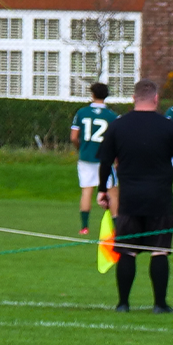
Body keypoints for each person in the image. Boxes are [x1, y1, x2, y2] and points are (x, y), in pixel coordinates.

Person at [96, 78, 173, 313]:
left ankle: (123, 304)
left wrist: (102, 190)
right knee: (159, 250)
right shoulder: (168, 126)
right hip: (160, 198)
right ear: (156, 99)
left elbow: (105, 161)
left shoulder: (119, 126)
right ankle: (160, 304)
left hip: (130, 198)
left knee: (127, 250)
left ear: (133, 99)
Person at [70, 82, 118, 234]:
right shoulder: (112, 116)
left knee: (86, 191)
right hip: (105, 159)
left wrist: (81, 147)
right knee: (113, 192)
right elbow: (117, 140)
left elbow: (73, 137)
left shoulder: (82, 113)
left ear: (92, 94)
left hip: (86, 158)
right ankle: (117, 228)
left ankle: (84, 227)